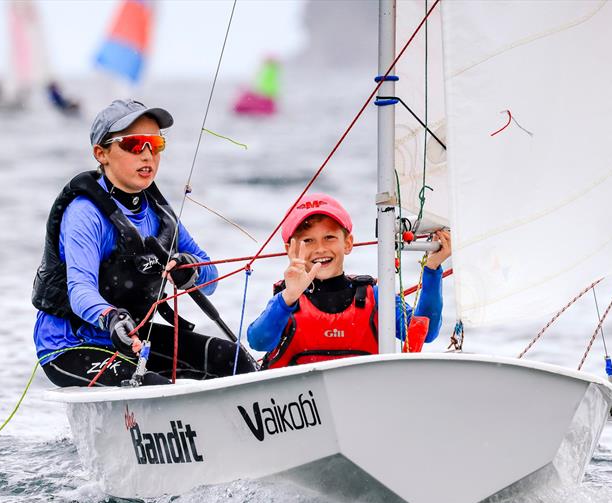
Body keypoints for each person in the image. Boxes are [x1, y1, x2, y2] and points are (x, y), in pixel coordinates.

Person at [33, 99, 258, 386]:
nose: (148, 155)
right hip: (70, 345)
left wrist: (192, 270)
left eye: (156, 144)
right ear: (101, 153)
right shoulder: (85, 214)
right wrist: (111, 318)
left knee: (233, 359)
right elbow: (80, 290)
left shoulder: (158, 214)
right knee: (155, 387)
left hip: (135, 337)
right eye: (134, 144)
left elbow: (211, 280)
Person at [247, 193, 451, 368]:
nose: (320, 248)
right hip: (297, 400)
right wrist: (289, 296)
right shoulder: (286, 301)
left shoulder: (374, 296)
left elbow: (427, 333)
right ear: (289, 249)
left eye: (329, 237)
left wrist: (432, 269)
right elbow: (258, 341)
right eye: (308, 240)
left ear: (348, 243)